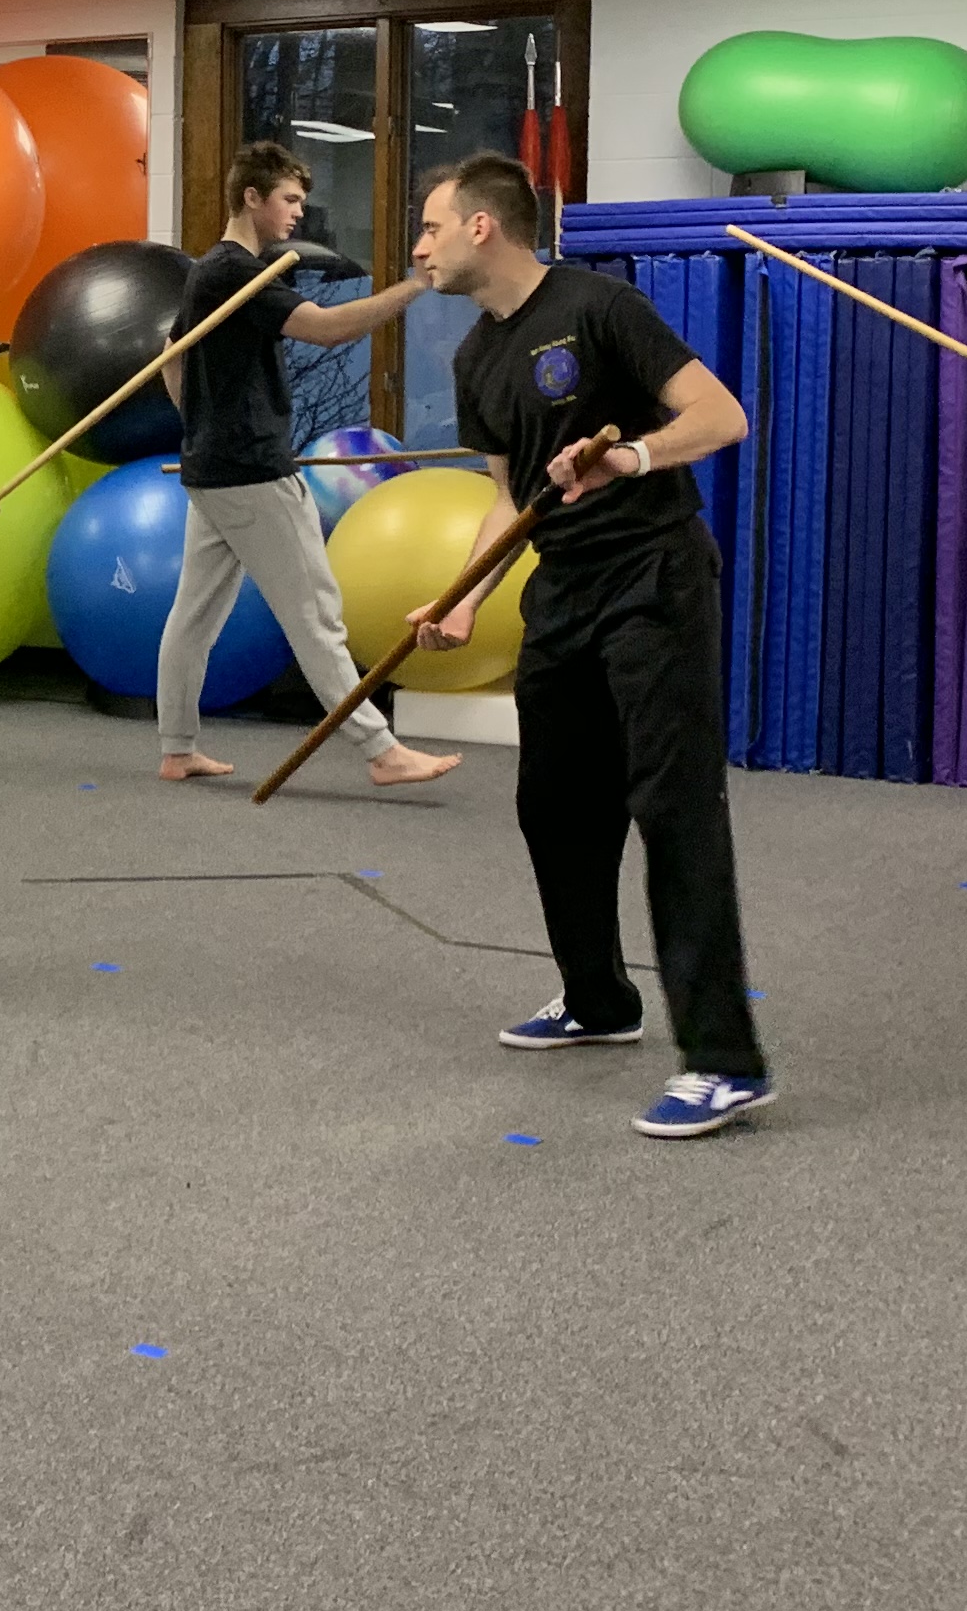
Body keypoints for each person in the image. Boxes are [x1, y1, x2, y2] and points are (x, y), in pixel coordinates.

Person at [410, 155, 772, 1140]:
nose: (420, 247)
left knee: (673, 806)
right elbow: (509, 500)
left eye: (432, 227)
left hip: (654, 576)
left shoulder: (601, 307)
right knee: (554, 804)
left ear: (483, 226)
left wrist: (632, 457)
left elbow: (722, 415)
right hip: (563, 590)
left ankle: (725, 1062)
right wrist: (464, 598)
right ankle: (598, 999)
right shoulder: (475, 358)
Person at [154, 142, 462, 794]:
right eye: (289, 200)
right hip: (250, 473)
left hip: (216, 468)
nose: (298, 212)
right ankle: (380, 750)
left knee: (195, 616)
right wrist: (415, 286)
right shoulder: (235, 272)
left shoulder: (211, 270)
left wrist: (203, 429)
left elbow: (171, 354)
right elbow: (326, 329)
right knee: (315, 612)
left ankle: (177, 748)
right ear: (252, 198)